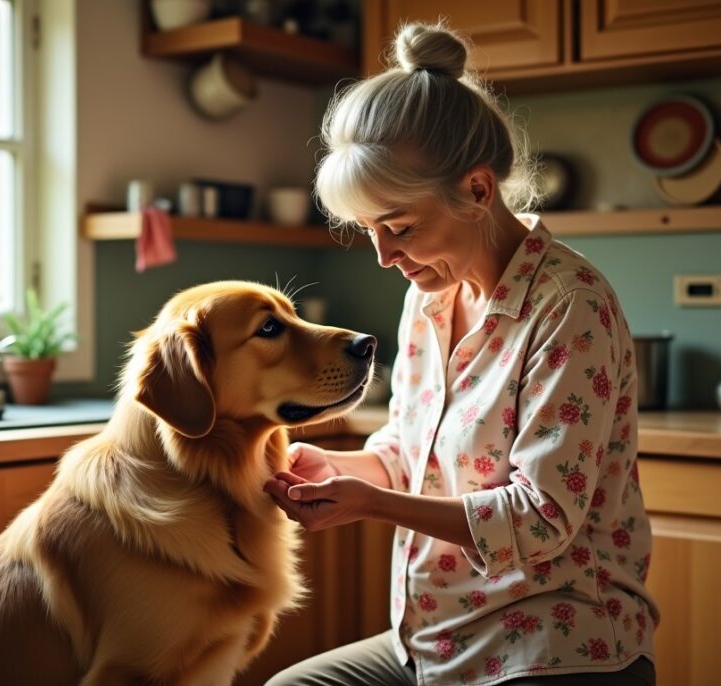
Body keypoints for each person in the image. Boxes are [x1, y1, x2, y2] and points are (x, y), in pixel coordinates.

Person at [263, 22, 658, 686]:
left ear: (478, 191)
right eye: (370, 233)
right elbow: (407, 452)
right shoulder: (431, 294)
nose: (386, 257)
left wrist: (373, 504)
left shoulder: (569, 304)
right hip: (433, 640)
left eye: (399, 228)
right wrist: (337, 468)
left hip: (551, 646)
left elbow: (541, 519)